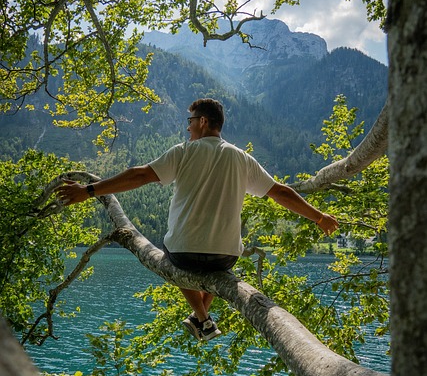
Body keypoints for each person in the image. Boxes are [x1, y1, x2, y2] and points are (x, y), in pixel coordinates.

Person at [57, 98, 339, 342]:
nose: (187, 126)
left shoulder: (183, 151)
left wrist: (88, 191)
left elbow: (140, 174)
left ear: (203, 121)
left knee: (173, 249)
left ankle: (202, 317)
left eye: (190, 120)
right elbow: (280, 192)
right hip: (225, 257)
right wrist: (319, 217)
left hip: (183, 254)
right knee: (214, 255)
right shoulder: (243, 158)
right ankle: (201, 319)